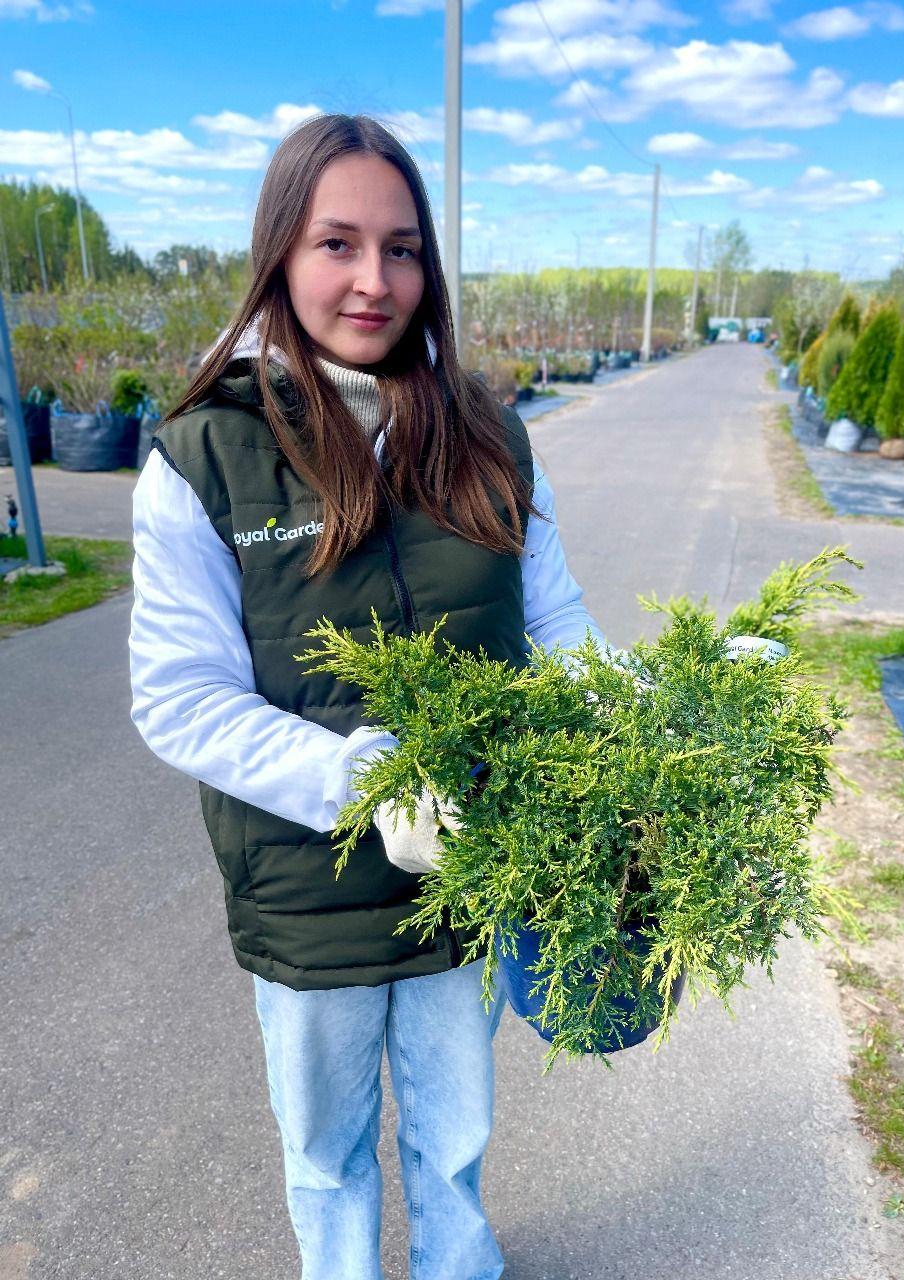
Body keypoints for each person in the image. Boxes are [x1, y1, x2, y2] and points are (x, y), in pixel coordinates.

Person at [128, 113, 608, 1280]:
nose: (373, 279)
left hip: (474, 870)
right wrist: (363, 779)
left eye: (402, 248)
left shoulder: (488, 435)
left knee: (455, 1137)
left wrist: (648, 726)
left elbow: (557, 627)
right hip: (308, 892)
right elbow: (178, 695)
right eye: (337, 242)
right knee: (328, 1150)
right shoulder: (205, 455)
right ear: (280, 254)